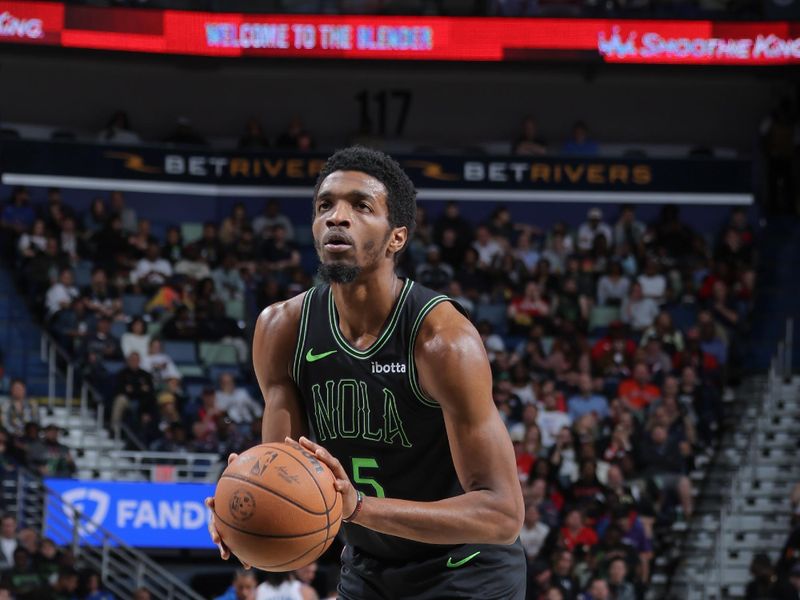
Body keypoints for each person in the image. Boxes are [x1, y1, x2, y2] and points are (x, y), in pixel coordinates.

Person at [207, 146, 526, 598]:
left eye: (360, 206)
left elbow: (502, 515)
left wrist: (359, 508)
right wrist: (245, 511)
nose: (337, 217)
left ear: (397, 237)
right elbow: (284, 468)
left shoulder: (442, 341)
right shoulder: (281, 329)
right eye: (325, 205)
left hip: (466, 569)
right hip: (367, 568)